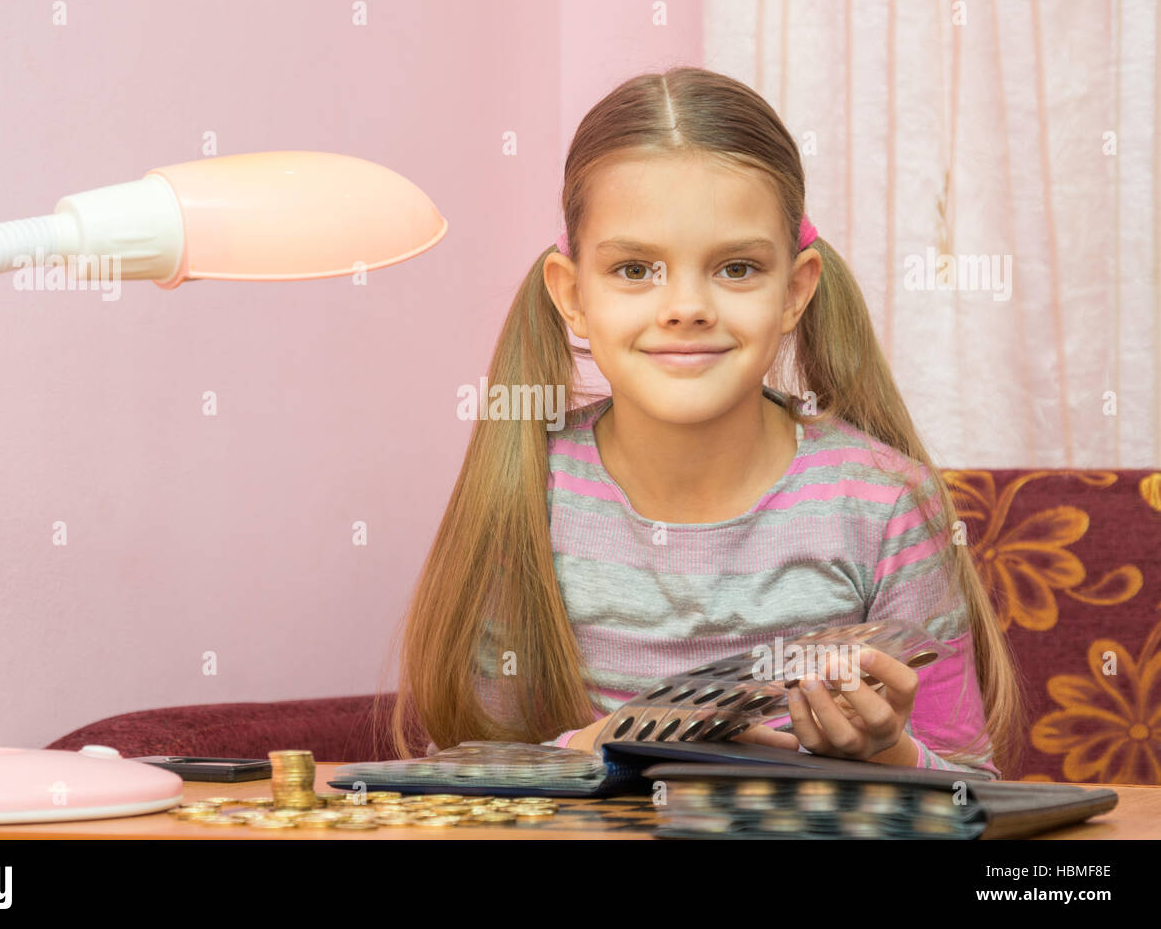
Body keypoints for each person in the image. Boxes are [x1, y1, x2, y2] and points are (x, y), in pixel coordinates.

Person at [386, 67, 1023, 780]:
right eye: (634, 270)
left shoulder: (882, 504)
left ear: (796, 290)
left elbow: (974, 789)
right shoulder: (526, 492)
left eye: (737, 268)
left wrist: (892, 755)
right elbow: (465, 780)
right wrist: (594, 746)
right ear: (572, 297)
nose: (685, 306)